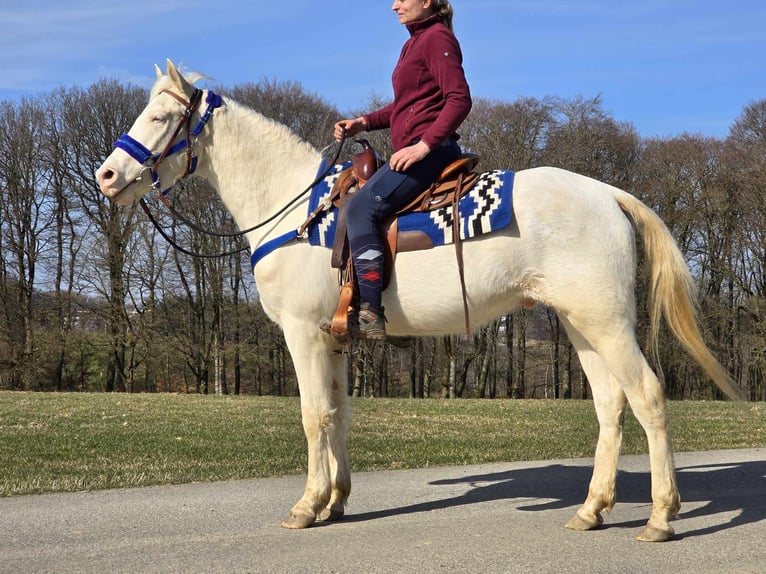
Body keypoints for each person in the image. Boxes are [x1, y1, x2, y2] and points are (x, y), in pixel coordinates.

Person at [332, 0, 472, 340]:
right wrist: (363, 122)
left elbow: (459, 98)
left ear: (426, 2)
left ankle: (371, 311)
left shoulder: (436, 38)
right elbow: (406, 106)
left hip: (432, 155)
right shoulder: (414, 41)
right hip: (419, 151)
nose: (394, 6)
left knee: (361, 207)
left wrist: (423, 146)